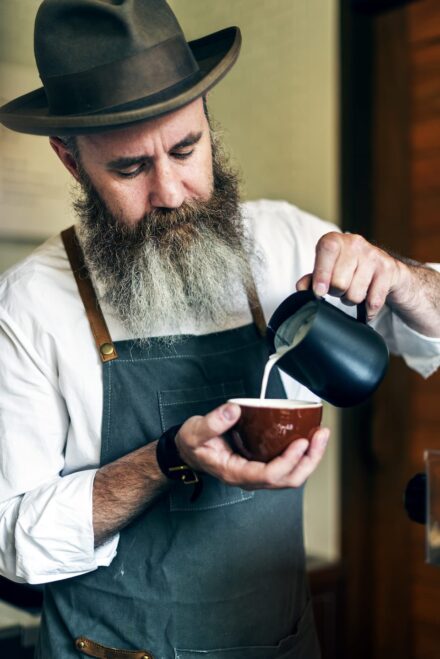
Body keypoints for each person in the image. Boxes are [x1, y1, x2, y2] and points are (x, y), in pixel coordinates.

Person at [0, 1, 439, 658]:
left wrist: (402, 276)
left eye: (185, 148)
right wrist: (165, 460)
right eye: (129, 168)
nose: (171, 191)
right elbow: (11, 537)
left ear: (208, 120)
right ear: (71, 159)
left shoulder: (286, 239)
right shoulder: (30, 303)